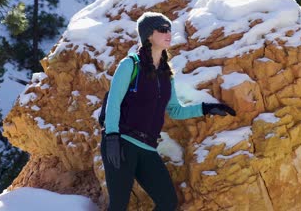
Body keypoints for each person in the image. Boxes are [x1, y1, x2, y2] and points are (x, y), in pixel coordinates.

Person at [101, 12, 236, 211]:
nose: (168, 33)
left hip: (147, 148)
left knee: (168, 202)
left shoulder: (166, 74)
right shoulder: (130, 65)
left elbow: (175, 110)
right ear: (148, 35)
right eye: (162, 29)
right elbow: (113, 103)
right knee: (119, 205)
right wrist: (112, 137)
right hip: (121, 143)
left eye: (169, 29)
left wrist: (207, 108)